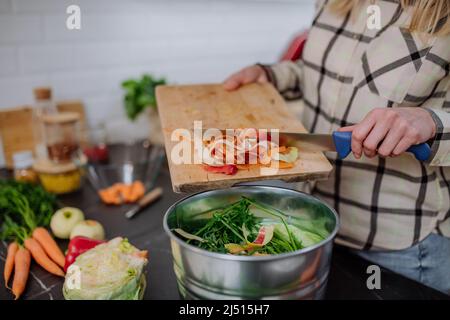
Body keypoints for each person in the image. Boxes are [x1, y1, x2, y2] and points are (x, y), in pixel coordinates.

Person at [223, 0, 450, 294]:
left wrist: (430, 123)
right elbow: (320, 71)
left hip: (399, 251)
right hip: (308, 224)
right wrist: (271, 76)